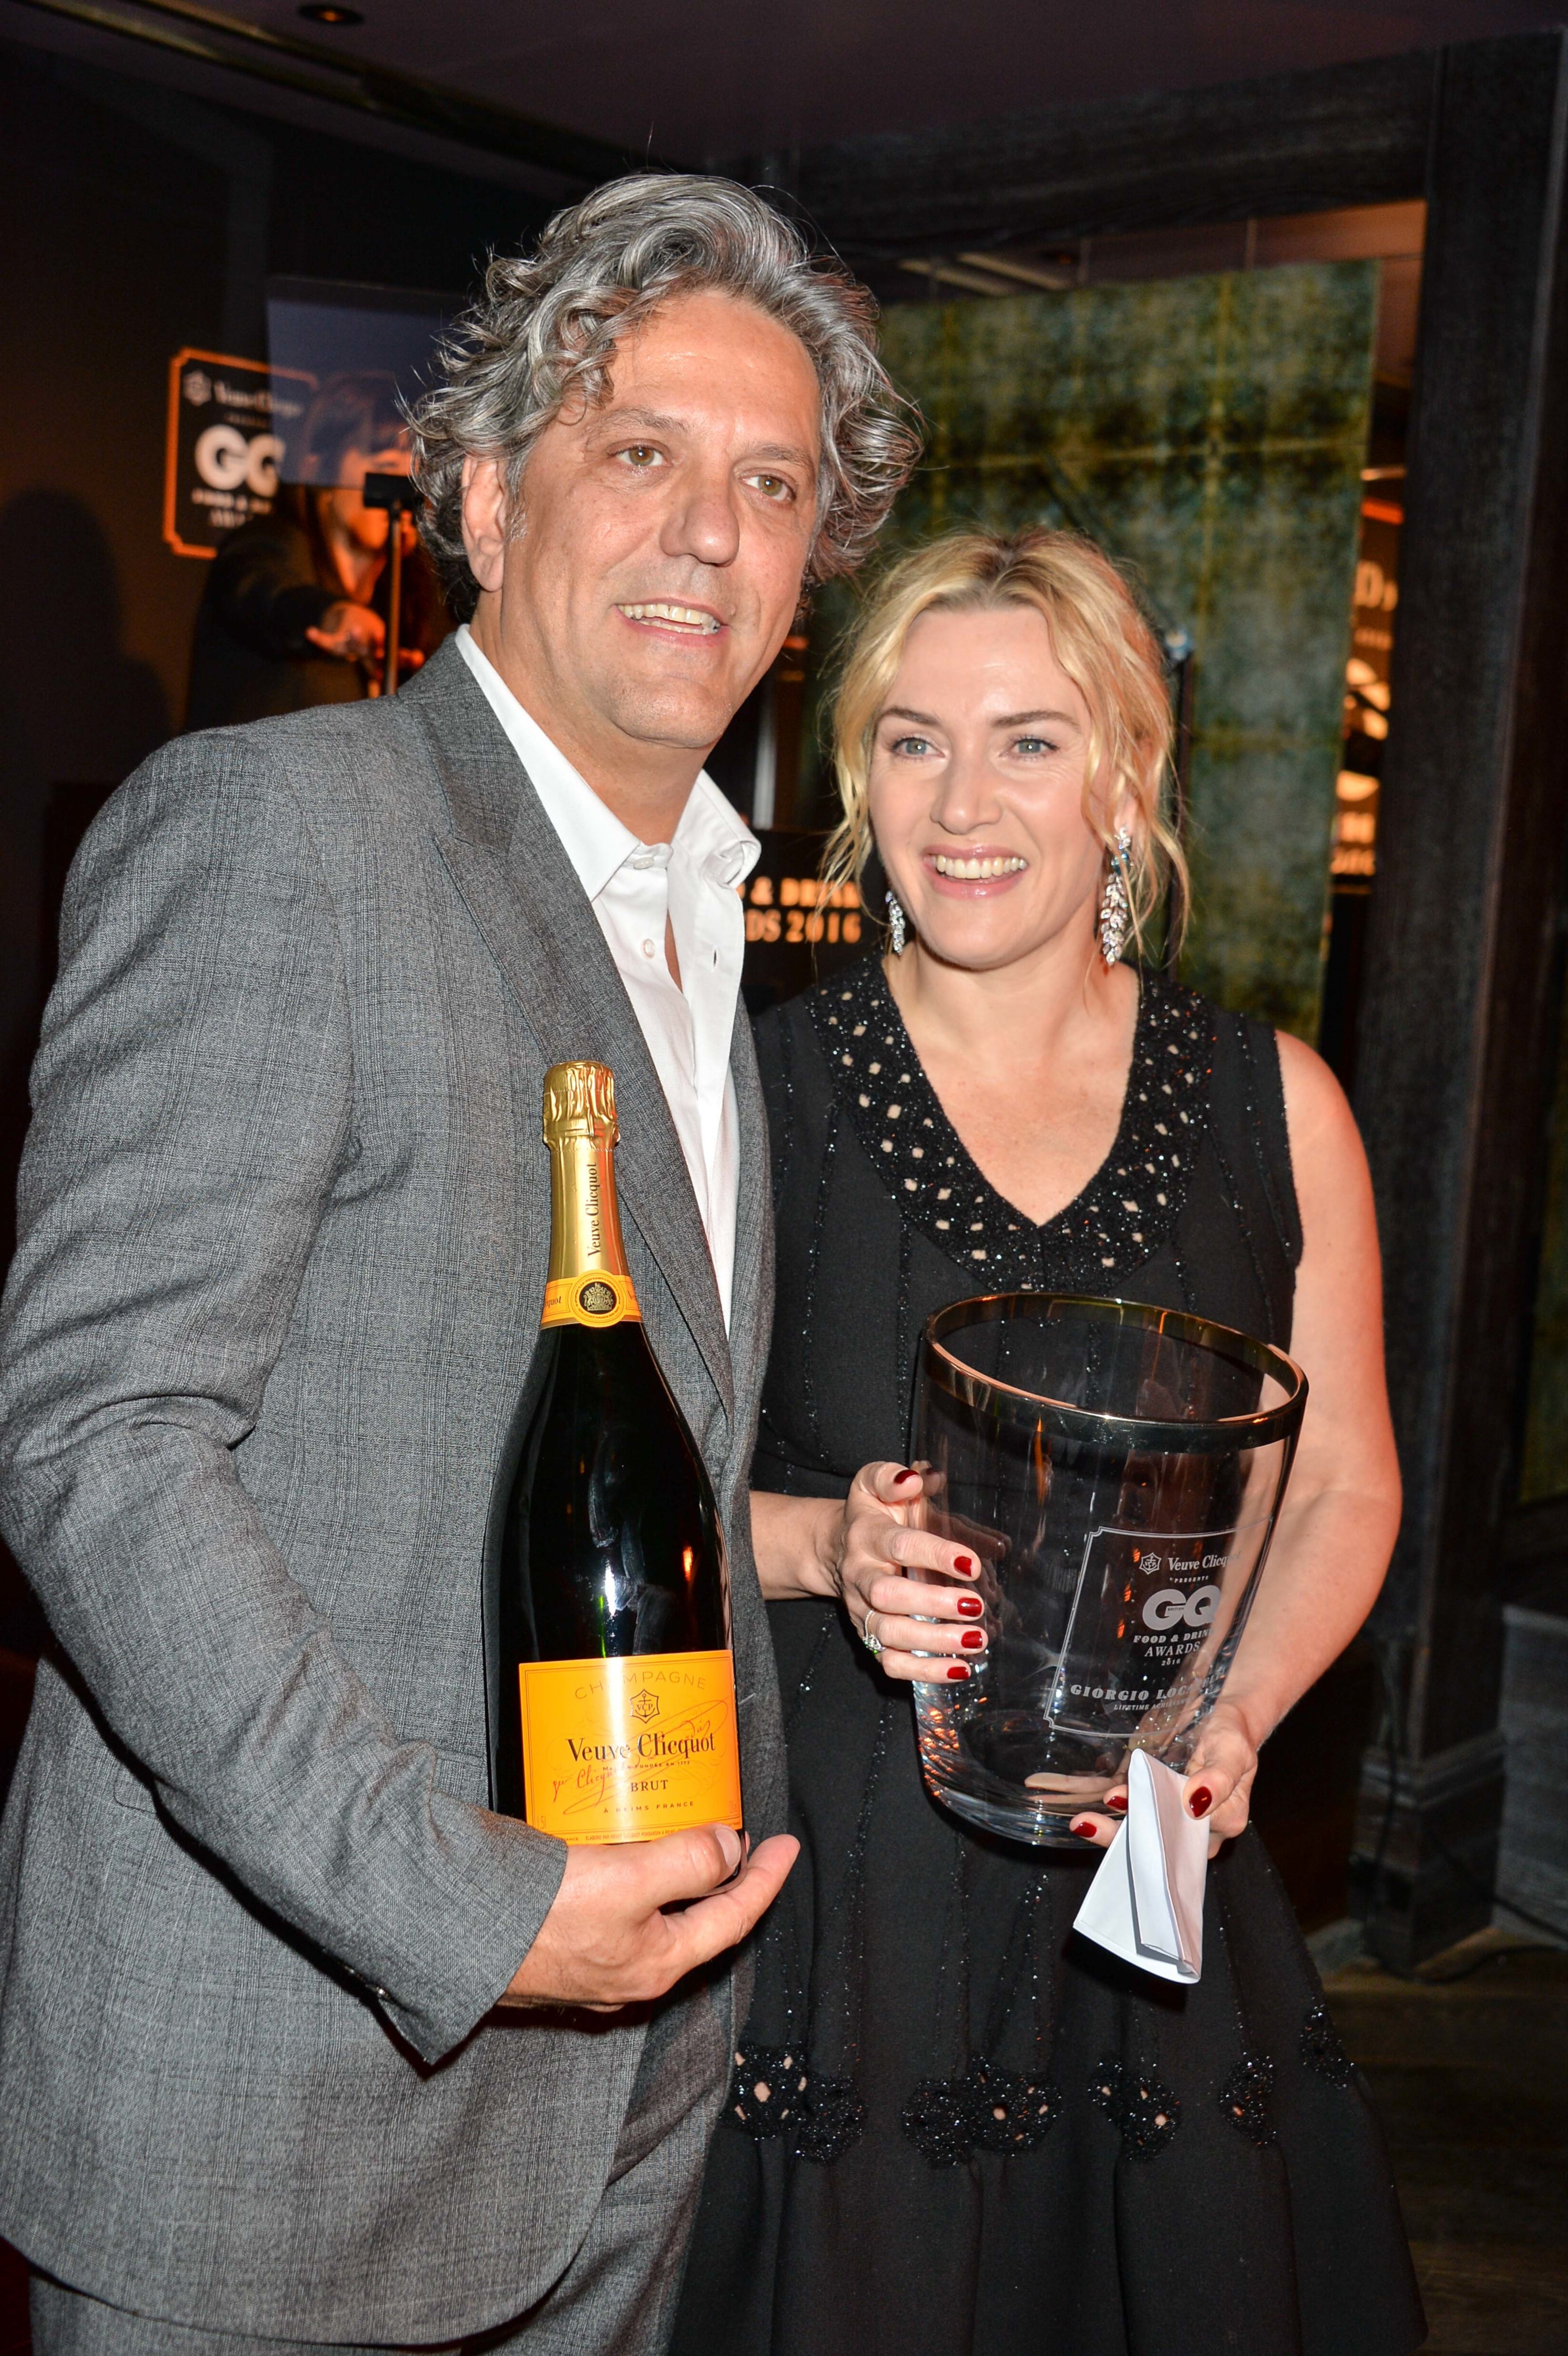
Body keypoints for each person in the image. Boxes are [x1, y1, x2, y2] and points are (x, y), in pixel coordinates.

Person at [0, 175, 916, 2354]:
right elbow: (104, 1451)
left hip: (629, 2089)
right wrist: (469, 1907)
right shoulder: (277, 833)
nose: (707, 533)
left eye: (769, 486)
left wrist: (801, 1546)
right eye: (642, 453)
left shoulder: (706, 930)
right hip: (288, 2105)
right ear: (489, 501)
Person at [673, 528, 1427, 2356]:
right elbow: (627, 1491)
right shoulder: (743, 1092)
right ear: (856, 778)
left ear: (1124, 777)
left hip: (1148, 1877)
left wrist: (1232, 1717)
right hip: (832, 1901)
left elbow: (1340, 1480)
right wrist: (822, 1545)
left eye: (1028, 739)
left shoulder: (1274, 1104)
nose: (961, 802)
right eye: (911, 741)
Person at [184, 370, 446, 729]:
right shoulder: (275, 542)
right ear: (318, 472)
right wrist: (330, 615)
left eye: (415, 480)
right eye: (384, 469)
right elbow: (263, 590)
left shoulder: (410, 599)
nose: (401, 495)